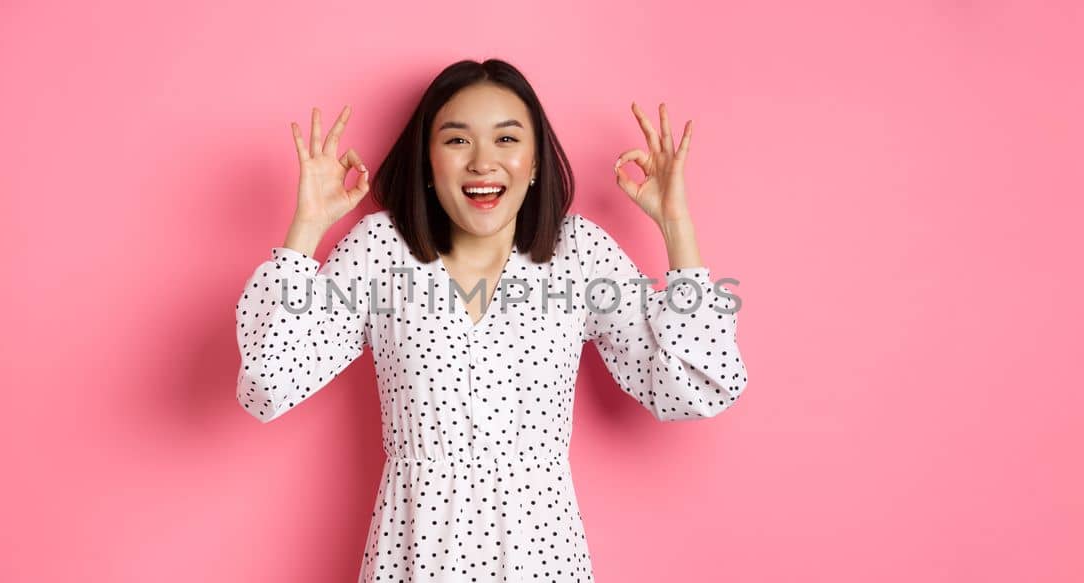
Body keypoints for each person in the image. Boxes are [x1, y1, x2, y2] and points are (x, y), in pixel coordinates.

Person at [235, 58, 748, 581]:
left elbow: (696, 387)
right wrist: (306, 228)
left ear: (535, 163)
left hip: (541, 558)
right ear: (428, 163)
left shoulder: (579, 253)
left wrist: (676, 226)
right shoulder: (381, 250)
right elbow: (267, 381)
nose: (483, 162)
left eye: (506, 140)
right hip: (415, 556)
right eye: (457, 141)